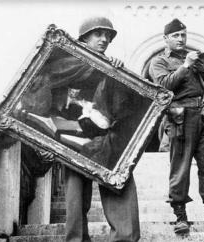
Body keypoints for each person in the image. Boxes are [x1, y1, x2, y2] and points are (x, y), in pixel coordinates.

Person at [148, 18, 204, 234]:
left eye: (183, 35)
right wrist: (186, 66)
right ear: (166, 39)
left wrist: (203, 68)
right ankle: (180, 217)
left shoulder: (195, 61)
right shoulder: (159, 62)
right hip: (180, 116)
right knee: (181, 167)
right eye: (176, 36)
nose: (181, 39)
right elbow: (163, 87)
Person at [62, 16, 140, 242]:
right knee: (75, 197)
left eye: (108, 36)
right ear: (84, 38)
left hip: (109, 139)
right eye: (98, 34)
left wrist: (120, 76)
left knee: (119, 184)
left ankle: (125, 238)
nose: (104, 39)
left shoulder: (114, 69)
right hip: (74, 139)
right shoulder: (67, 66)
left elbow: (127, 109)